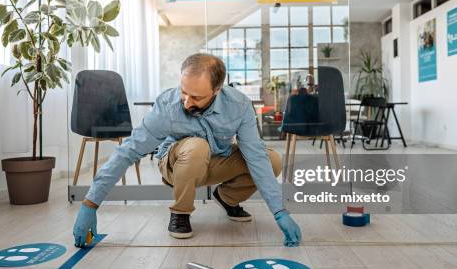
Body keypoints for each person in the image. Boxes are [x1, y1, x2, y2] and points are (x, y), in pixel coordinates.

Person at [73, 53, 302, 247]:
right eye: (184, 92)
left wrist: (279, 212)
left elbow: (255, 157)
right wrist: (90, 203)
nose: (186, 102)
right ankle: (180, 213)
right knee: (196, 146)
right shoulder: (168, 105)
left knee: (271, 160)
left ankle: (227, 199)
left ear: (218, 89)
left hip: (215, 160)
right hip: (175, 164)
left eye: (197, 97)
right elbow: (129, 151)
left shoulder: (239, 106)